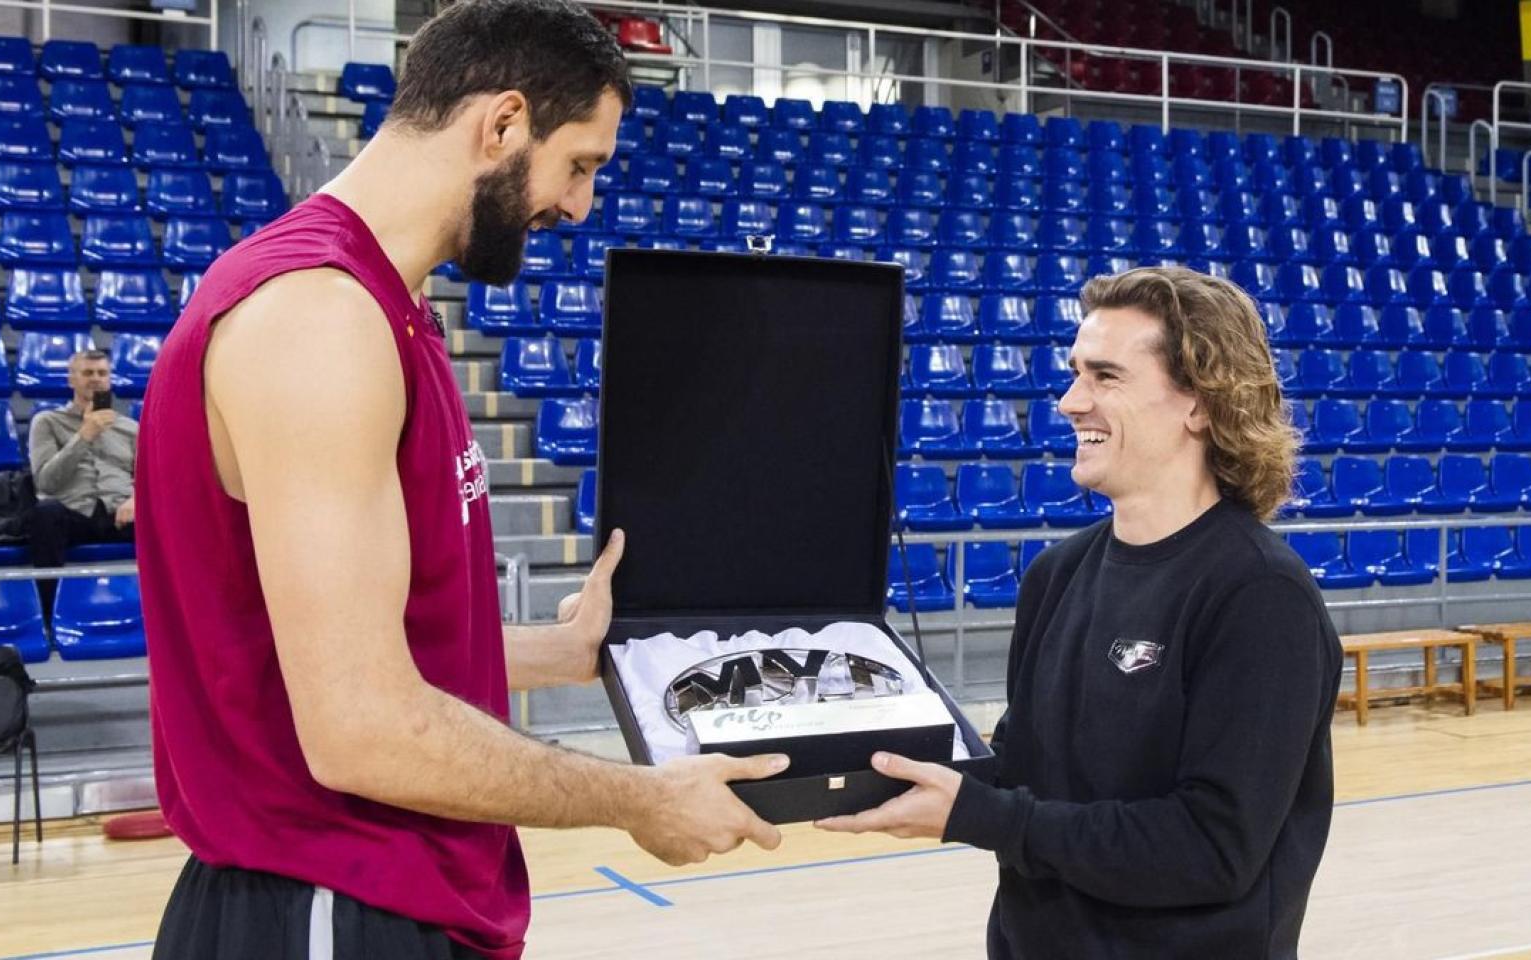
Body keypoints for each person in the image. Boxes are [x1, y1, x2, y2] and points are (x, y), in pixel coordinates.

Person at [135, 3, 786, 958]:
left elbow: (346, 642)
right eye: (582, 164)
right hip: (327, 900)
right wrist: (637, 799)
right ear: (504, 123)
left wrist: (560, 653)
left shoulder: (385, 310)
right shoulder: (318, 321)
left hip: (381, 898)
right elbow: (361, 729)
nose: (578, 206)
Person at [818, 266, 1343, 960]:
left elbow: (1212, 847)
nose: (1069, 402)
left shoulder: (1258, 595)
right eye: (1074, 374)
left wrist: (983, 815)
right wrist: (845, 760)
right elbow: (1021, 771)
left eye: (1105, 377)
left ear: (1201, 403)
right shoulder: (1055, 576)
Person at [27, 348, 138, 614]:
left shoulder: (130, 428)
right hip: (73, 513)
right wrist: (85, 435)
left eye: (102, 373)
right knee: (45, 514)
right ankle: (48, 614)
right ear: (71, 380)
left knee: (170, 511)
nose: (96, 379)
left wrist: (138, 499)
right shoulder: (47, 422)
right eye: (87, 373)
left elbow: (150, 478)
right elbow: (45, 482)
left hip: (121, 512)